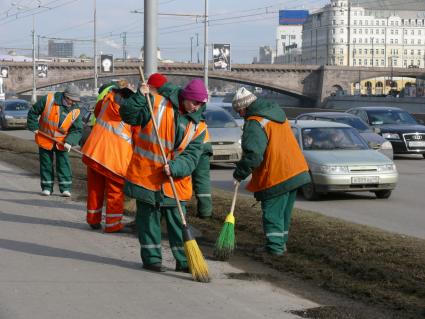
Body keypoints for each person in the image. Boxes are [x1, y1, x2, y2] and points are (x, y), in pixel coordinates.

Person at [120, 78, 208, 273]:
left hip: (174, 181)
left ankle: (185, 261)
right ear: (185, 97)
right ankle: (152, 259)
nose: (197, 107)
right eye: (195, 102)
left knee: (179, 224)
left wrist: (175, 167)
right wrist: (139, 98)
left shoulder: (199, 126)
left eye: (201, 104)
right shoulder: (156, 103)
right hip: (147, 176)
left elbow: (192, 157)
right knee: (148, 221)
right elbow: (128, 116)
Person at [231, 87, 310, 256]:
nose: (239, 115)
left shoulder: (255, 122)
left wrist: (239, 173)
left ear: (245, 107)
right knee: (283, 214)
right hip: (296, 170)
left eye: (238, 110)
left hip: (277, 174)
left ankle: (274, 248)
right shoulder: (276, 114)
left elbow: (254, 154)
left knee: (273, 213)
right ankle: (280, 244)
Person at [80, 80, 134, 232]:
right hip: (113, 160)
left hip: (94, 153)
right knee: (115, 192)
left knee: (95, 189)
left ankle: (93, 219)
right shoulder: (131, 114)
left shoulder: (105, 103)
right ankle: (112, 225)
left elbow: (96, 114)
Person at [27, 85, 82, 197]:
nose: (72, 103)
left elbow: (77, 129)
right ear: (66, 96)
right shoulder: (48, 99)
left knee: (64, 164)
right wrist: (34, 126)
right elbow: (33, 112)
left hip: (62, 141)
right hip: (45, 138)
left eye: (75, 101)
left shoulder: (76, 110)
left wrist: (70, 141)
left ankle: (65, 188)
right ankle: (47, 187)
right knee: (46, 164)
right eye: (71, 100)